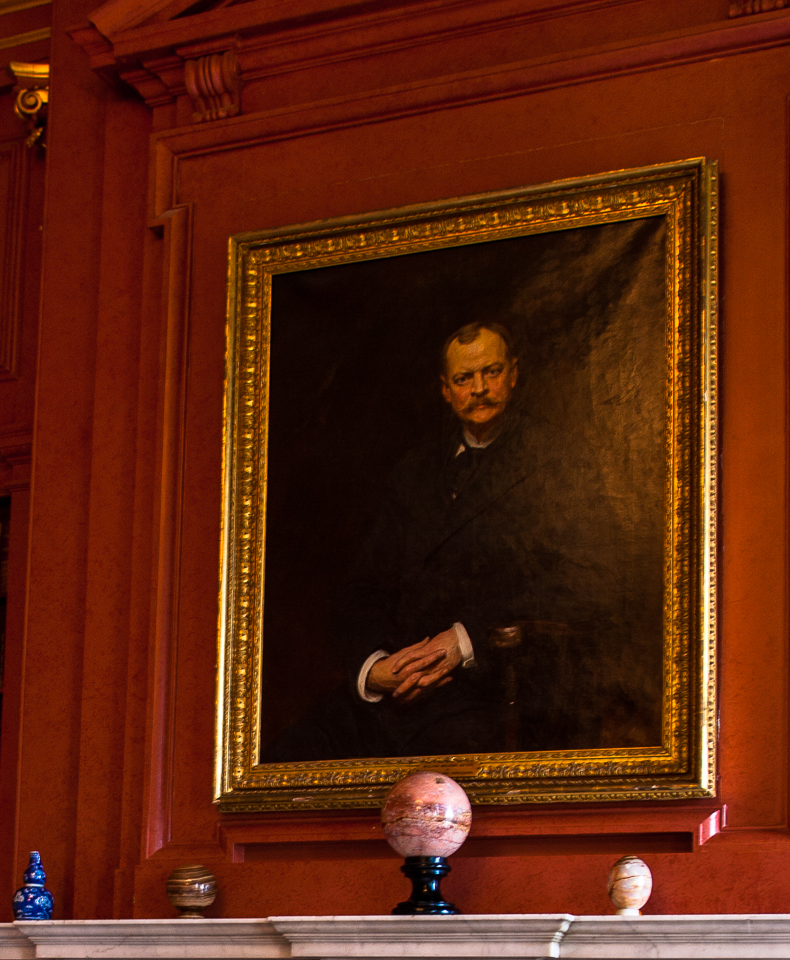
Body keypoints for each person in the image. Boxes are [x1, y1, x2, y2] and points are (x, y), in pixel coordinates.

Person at [267, 320, 657, 762]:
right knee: (292, 754)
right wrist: (376, 667)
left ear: (513, 374)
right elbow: (365, 586)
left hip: (494, 688)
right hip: (401, 686)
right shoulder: (414, 470)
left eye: (492, 372)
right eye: (464, 378)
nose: (480, 389)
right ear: (445, 390)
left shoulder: (559, 458)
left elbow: (593, 580)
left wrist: (465, 640)